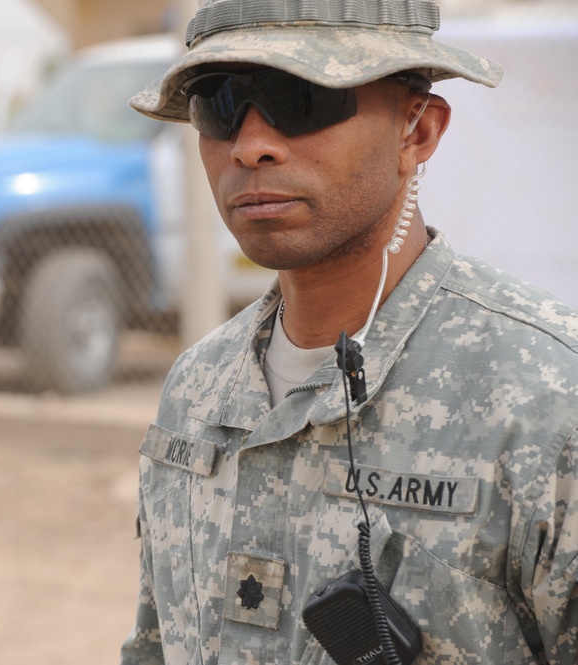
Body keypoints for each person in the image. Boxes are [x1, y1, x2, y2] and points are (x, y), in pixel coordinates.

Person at [121, 1, 577, 663]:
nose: (251, 145)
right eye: (218, 105)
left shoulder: (545, 396)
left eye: (298, 98)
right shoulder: (197, 387)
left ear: (416, 132)